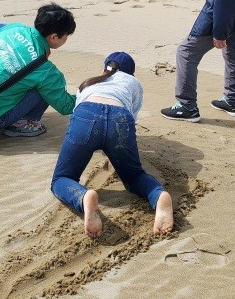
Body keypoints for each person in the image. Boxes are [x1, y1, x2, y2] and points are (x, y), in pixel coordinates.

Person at [50, 52, 174, 238]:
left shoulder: (89, 82)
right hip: (120, 118)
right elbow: (132, 117)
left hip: (85, 116)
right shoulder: (134, 84)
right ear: (131, 74)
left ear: (104, 69)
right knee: (134, 176)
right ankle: (158, 196)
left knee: (61, 178)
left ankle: (83, 197)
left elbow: (77, 114)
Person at [0, 3, 77, 137]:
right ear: (54, 37)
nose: (66, 39)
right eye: (66, 36)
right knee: (44, 88)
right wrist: (91, 95)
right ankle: (20, 124)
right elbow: (66, 106)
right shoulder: (44, 70)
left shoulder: (14, 28)